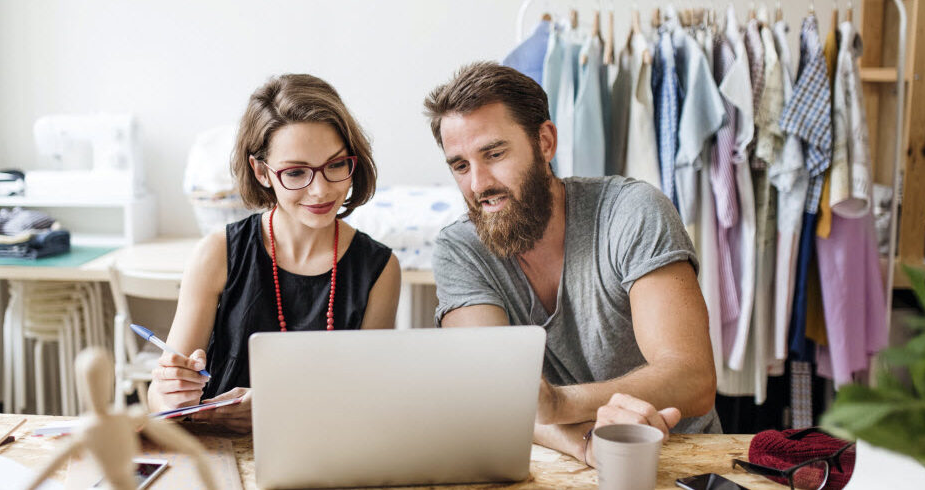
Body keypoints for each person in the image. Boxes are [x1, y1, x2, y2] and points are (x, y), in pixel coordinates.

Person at [423, 62, 719, 465]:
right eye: (460, 165)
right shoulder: (460, 249)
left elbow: (692, 377)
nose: (477, 184)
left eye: (494, 153)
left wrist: (559, 403)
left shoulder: (631, 212)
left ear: (545, 142)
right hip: (561, 464)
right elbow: (489, 394)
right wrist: (584, 444)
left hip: (678, 458)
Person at [147, 74, 401, 431]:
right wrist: (175, 396)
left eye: (336, 165)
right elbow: (159, 397)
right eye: (296, 172)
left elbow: (372, 399)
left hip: (325, 456)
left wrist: (278, 410)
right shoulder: (217, 254)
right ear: (262, 172)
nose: (320, 190)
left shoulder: (380, 268)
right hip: (220, 455)